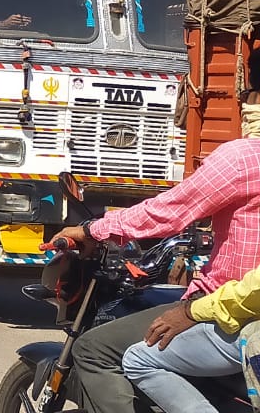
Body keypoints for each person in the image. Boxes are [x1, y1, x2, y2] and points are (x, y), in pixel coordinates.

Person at [47, 138, 260, 413]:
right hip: (236, 309)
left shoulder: (244, 157)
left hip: (228, 309)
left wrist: (92, 230)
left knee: (93, 350)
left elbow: (172, 209)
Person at [122, 255, 260, 413]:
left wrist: (191, 311)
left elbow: (253, 291)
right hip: (224, 303)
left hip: (229, 309)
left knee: (133, 358)